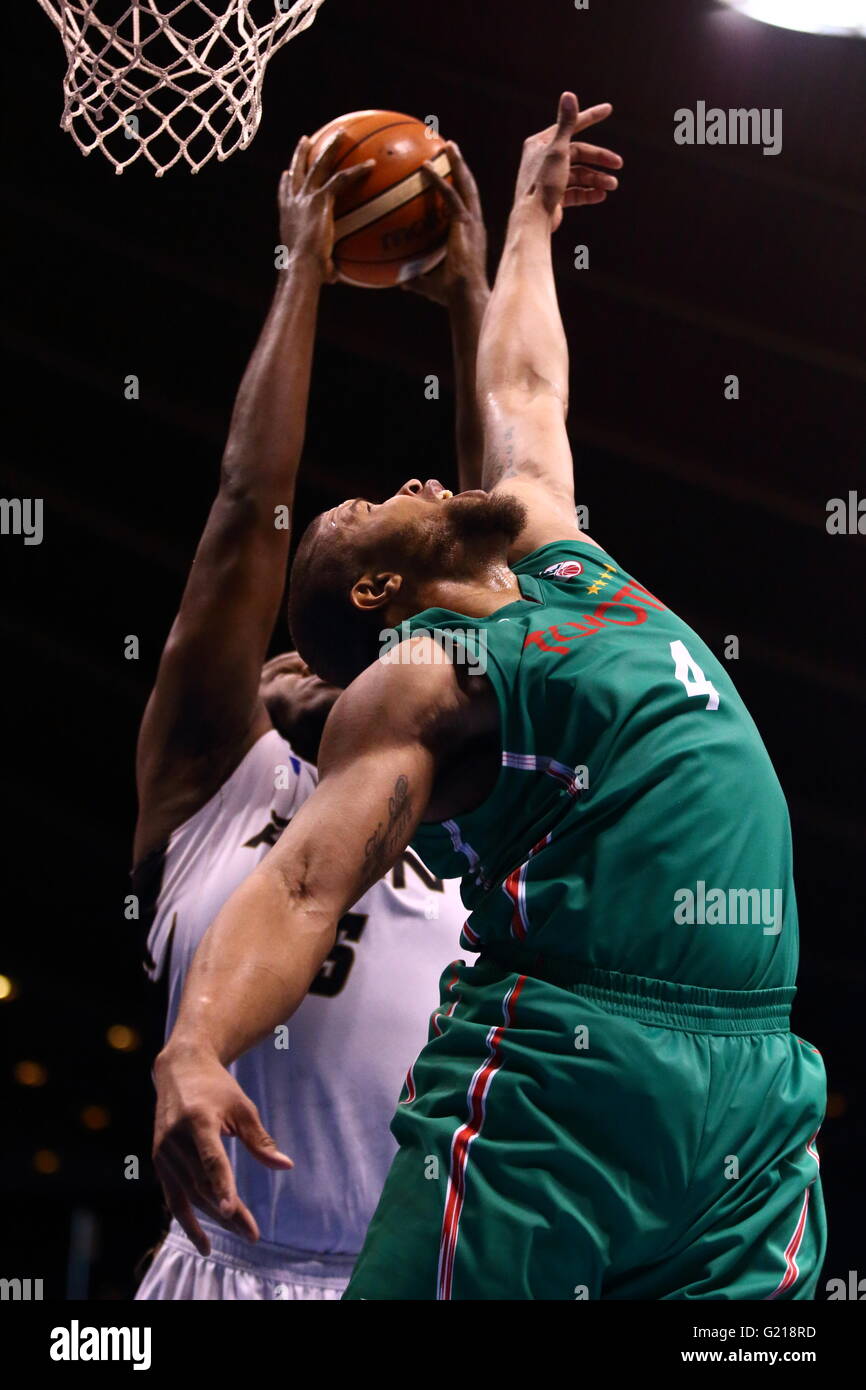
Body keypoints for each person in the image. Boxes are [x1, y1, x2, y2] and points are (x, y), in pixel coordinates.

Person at [152, 93, 826, 1300]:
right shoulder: (412, 685)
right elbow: (304, 879)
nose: (409, 474)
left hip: (756, 1082)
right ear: (373, 591)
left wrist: (525, 217)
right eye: (365, 509)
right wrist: (196, 1046)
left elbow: (523, 386)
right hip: (565, 1066)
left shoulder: (553, 555)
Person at [133, 128, 488, 1299]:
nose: (403, 493)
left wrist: (471, 292)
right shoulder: (212, 772)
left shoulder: (489, 772)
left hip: (413, 1277)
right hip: (226, 1270)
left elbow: (515, 527)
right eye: (365, 505)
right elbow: (248, 501)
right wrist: (301, 271)